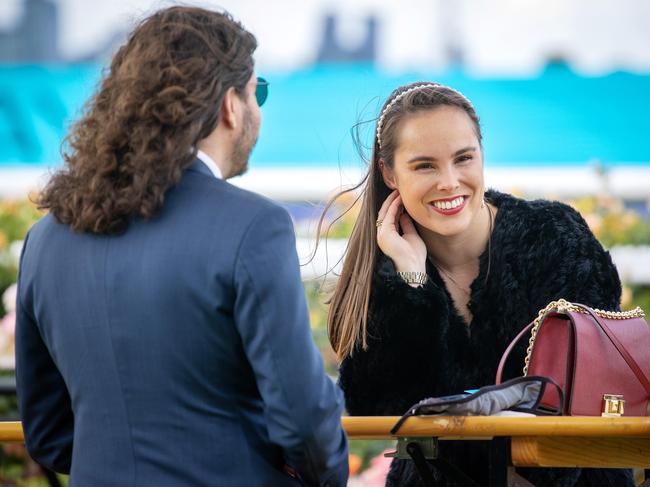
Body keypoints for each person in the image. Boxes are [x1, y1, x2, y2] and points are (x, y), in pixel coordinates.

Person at [15, 6, 348, 487]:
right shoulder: (254, 227)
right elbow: (304, 422)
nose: (258, 111)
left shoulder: (44, 240)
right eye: (260, 93)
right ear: (230, 105)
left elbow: (46, 433)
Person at [326, 82, 633, 486]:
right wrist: (413, 282)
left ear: (482, 155)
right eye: (424, 166)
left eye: (463, 159)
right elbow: (376, 407)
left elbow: (590, 386)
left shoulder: (554, 237)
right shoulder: (391, 277)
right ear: (389, 173)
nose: (450, 182)